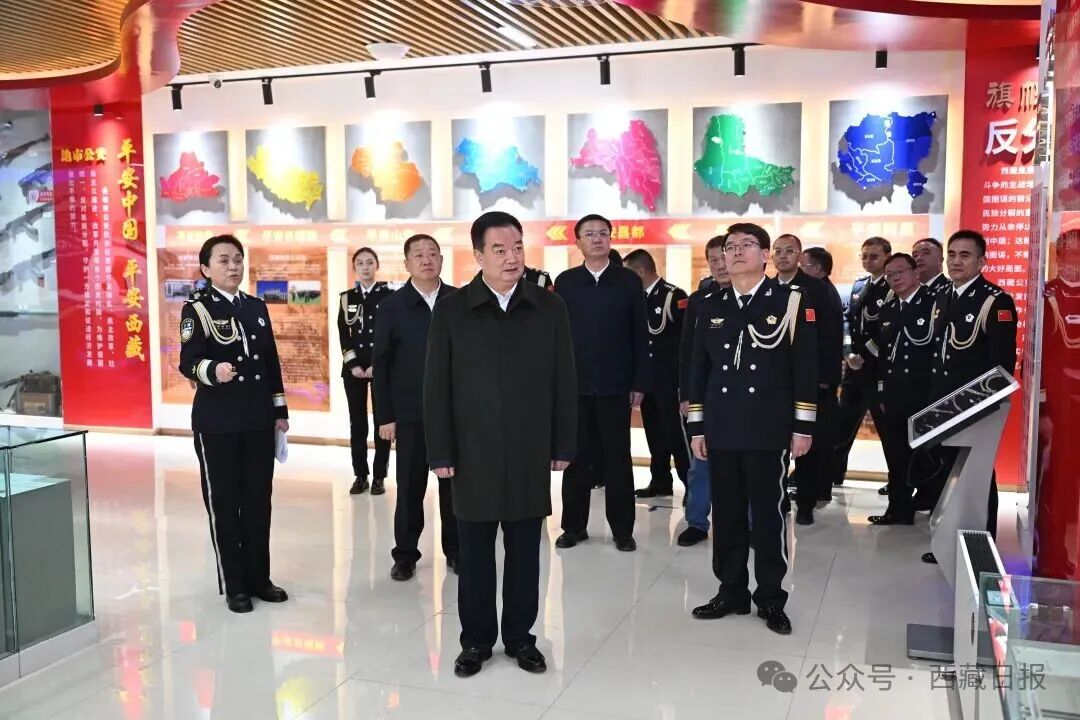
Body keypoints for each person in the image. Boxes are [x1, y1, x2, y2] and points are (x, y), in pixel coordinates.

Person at [424, 211, 577, 678]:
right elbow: (436, 385)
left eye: (517, 248)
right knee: (473, 554)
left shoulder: (548, 307)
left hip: (529, 450)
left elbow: (564, 379)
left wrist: (563, 443)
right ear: (478, 255)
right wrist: (440, 451)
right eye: (499, 250)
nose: (512, 258)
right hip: (472, 452)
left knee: (526, 551)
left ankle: (521, 638)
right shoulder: (453, 310)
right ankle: (475, 641)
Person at [687, 222, 817, 635]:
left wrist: (802, 427)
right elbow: (698, 370)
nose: (737, 252)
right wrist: (697, 427)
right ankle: (731, 590)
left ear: (765, 255)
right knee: (726, 513)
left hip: (767, 426)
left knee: (767, 516)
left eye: (747, 245)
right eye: (730, 246)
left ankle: (771, 597)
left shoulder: (791, 302)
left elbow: (805, 369)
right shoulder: (710, 304)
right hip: (722, 424)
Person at [179, 234, 290, 613]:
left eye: (238, 259)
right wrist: (213, 370)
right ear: (206, 269)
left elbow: (270, 363)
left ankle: (260, 578)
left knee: (258, 502)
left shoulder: (255, 307)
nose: (233, 266)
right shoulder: (197, 310)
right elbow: (188, 362)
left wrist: (280, 412)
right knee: (224, 505)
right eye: (224, 260)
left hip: (257, 419)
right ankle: (235, 585)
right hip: (218, 422)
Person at [921, 230, 1017, 562]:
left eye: (965, 255)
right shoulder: (943, 296)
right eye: (952, 254)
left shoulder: (994, 301)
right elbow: (937, 355)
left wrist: (980, 407)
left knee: (977, 478)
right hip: (943, 404)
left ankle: (980, 544)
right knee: (949, 475)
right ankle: (948, 543)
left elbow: (1001, 367)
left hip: (974, 408)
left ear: (981, 261)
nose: (956, 261)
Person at [554, 214, 648, 552]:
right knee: (576, 458)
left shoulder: (628, 281)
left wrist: (639, 381)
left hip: (615, 385)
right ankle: (573, 527)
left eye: (602, 233)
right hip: (576, 387)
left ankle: (622, 530)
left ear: (610, 239)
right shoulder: (566, 282)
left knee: (617, 458)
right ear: (578, 241)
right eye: (589, 234)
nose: (597, 239)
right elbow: (557, 337)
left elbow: (640, 335)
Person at [373, 234, 459, 581]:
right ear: (407, 263)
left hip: (454, 415)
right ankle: (405, 554)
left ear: (441, 259)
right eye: (419, 255)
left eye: (433, 253)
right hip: (410, 414)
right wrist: (385, 417)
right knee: (410, 488)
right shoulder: (392, 306)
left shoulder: (459, 301)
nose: (427, 260)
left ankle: (456, 551)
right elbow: (381, 366)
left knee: (454, 489)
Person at [773, 234, 844, 526]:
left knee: (808, 446)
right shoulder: (766, 288)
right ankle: (777, 501)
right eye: (778, 251)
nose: (783, 256)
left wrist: (827, 378)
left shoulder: (816, 289)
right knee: (774, 445)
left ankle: (806, 503)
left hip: (810, 381)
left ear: (800, 256)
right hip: (775, 383)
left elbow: (831, 337)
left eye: (789, 251)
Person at [865, 253, 936, 525]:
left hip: (925, 394)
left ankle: (933, 506)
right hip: (894, 394)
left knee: (928, 454)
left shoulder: (934, 303)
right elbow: (883, 356)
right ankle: (899, 509)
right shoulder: (888, 308)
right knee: (895, 455)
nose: (895, 278)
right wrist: (882, 392)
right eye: (890, 275)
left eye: (900, 272)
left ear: (915, 273)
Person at [676, 234, 729, 547]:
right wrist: (686, 394)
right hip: (705, 394)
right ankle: (697, 522)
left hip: (743, 395)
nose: (720, 265)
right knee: (701, 461)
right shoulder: (699, 300)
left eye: (724, 257)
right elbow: (687, 352)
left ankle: (750, 523)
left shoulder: (758, 296)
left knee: (746, 464)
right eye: (713, 260)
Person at [623, 249, 690, 499]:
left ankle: (691, 484)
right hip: (647, 381)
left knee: (676, 435)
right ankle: (660, 481)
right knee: (654, 434)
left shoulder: (673, 296)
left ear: (640, 272)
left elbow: (686, 342)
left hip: (670, 381)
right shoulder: (636, 299)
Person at [833, 236, 892, 491]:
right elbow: (847, 320)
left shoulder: (893, 287)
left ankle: (897, 481)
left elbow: (888, 329)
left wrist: (864, 355)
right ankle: (833, 474)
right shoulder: (859, 286)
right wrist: (848, 352)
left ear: (887, 257)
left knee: (889, 432)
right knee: (842, 425)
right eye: (864, 256)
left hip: (880, 371)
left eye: (874, 256)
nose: (868, 261)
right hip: (854, 371)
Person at [337, 247, 394, 496]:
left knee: (383, 421)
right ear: (354, 268)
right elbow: (343, 334)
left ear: (377, 266)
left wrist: (376, 365)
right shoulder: (346, 298)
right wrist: (353, 365)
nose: (365, 267)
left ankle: (379, 476)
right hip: (354, 370)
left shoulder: (389, 296)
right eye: (360, 263)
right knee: (357, 423)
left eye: (370, 262)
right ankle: (360, 475)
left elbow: (392, 335)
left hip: (381, 368)